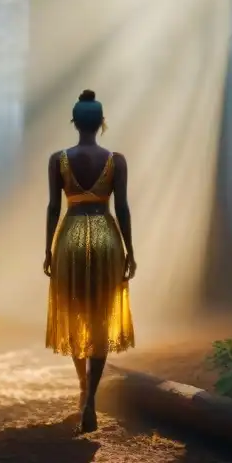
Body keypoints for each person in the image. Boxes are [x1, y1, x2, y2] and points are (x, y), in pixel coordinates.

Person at [44, 89, 136, 434]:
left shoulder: (58, 160)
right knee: (100, 314)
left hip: (69, 238)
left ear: (74, 122)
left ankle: (83, 391)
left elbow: (54, 207)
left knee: (76, 311)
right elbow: (123, 208)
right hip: (106, 238)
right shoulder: (117, 161)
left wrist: (48, 249)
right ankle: (91, 400)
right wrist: (130, 250)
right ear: (101, 123)